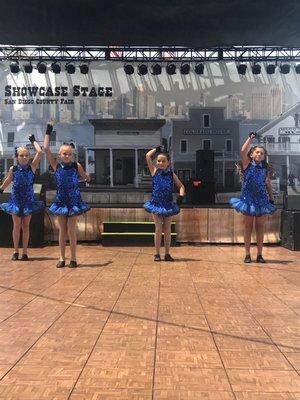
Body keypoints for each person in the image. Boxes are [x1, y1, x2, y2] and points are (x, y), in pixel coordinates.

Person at [43, 122, 91, 268]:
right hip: (61, 201)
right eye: (64, 153)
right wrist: (48, 131)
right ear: (60, 155)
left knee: (71, 230)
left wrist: (88, 178)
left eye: (70, 154)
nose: (67, 156)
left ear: (73, 155)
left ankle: (74, 258)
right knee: (62, 230)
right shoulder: (56, 165)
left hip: (74, 201)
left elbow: (84, 176)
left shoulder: (77, 166)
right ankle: (62, 257)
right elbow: (45, 148)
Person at [230, 132, 276, 263]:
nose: (259, 154)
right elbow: (243, 150)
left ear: (264, 156)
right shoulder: (246, 165)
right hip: (248, 200)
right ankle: (247, 254)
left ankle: (260, 254)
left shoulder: (265, 169)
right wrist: (250, 139)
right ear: (252, 154)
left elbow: (268, 185)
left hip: (262, 200)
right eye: (257, 152)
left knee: (260, 228)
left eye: (262, 153)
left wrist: (271, 198)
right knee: (248, 227)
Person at [0, 136, 43, 260]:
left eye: (26, 155)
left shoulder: (32, 167)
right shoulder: (13, 169)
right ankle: (15, 251)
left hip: (28, 201)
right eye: (22, 155)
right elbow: (8, 180)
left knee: (26, 226)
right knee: (16, 226)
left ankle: (25, 252)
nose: (24, 157)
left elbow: (39, 152)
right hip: (16, 201)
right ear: (17, 157)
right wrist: (1, 189)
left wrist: (33, 140)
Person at [144, 146, 185, 261]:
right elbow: (147, 156)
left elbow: (181, 186)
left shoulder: (171, 174)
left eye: (163, 161)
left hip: (168, 205)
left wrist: (181, 196)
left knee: (167, 229)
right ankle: (157, 253)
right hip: (156, 204)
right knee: (158, 228)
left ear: (168, 163)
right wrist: (156, 150)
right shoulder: (154, 171)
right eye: (158, 161)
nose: (160, 163)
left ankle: (167, 253)